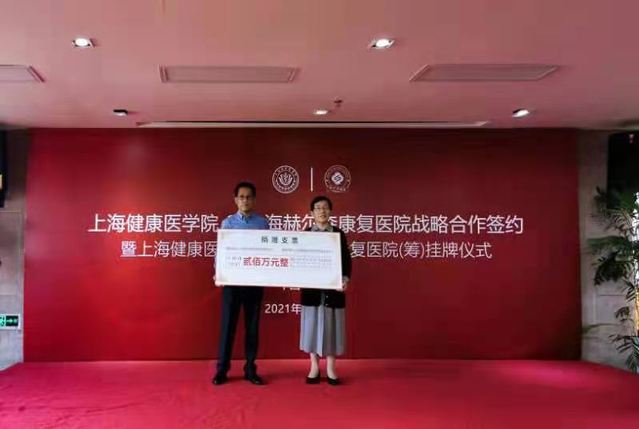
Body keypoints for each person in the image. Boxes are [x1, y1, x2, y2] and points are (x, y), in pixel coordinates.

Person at [212, 182, 269, 386]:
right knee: (228, 327)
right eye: (241, 197)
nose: (245, 200)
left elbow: (269, 252)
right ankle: (222, 369)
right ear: (236, 200)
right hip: (232, 282)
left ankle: (250, 369)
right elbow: (221, 251)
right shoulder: (227, 223)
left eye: (249, 197)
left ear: (254, 199)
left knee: (252, 328)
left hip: (254, 282)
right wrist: (218, 272)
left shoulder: (262, 223)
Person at [299, 195, 352, 386]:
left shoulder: (338, 234)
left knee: (332, 329)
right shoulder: (305, 235)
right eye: (318, 208)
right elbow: (298, 260)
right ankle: (314, 367)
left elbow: (346, 261)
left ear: (330, 211)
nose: (322, 211)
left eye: (325, 207)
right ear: (311, 213)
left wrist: (345, 279)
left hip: (332, 290)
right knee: (312, 328)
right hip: (312, 291)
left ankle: (331, 367)